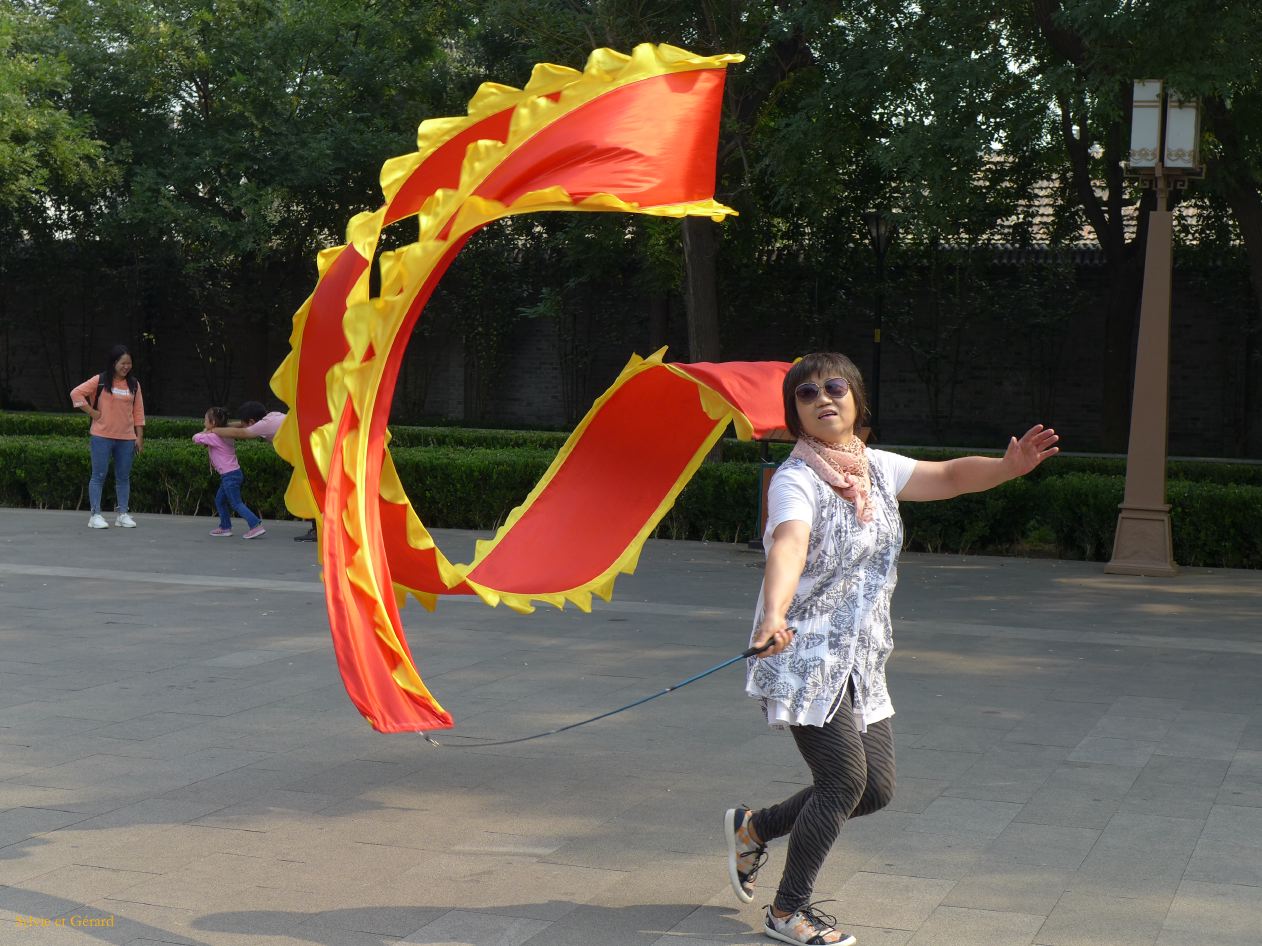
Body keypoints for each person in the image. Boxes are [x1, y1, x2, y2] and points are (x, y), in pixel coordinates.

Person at [724, 352, 1059, 946]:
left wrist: (1008, 468)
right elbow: (789, 543)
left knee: (874, 789)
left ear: (856, 400)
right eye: (806, 393)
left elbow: (952, 476)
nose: (822, 398)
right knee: (842, 782)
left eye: (833, 387)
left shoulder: (876, 468)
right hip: (803, 655)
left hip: (862, 654)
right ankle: (787, 912)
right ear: (795, 413)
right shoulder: (796, 479)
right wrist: (773, 614)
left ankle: (755, 829)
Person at [209, 402, 314, 541]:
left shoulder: (264, 425)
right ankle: (318, 529)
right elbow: (242, 426)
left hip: (310, 455)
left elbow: (242, 432)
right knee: (311, 492)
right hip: (312, 449)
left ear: (252, 421)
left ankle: (317, 531)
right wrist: (219, 427)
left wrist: (212, 431)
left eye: (245, 422)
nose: (242, 424)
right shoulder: (272, 416)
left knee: (311, 492)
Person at [70, 344, 146, 529]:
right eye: (122, 363)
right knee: (99, 476)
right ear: (114, 363)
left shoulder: (134, 385)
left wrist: (139, 437)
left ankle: (122, 514)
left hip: (126, 438)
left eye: (129, 363)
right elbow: (76, 393)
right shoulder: (101, 380)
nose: (126, 367)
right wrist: (92, 412)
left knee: (123, 477)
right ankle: (95, 515)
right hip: (101, 436)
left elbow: (138, 412)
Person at [193, 407, 266, 539]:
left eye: (205, 420)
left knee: (236, 503)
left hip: (229, 476)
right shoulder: (226, 434)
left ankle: (255, 525)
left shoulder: (214, 436)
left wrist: (207, 431)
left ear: (213, 423)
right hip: (233, 474)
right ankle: (225, 527)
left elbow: (196, 438)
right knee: (220, 501)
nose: (204, 423)